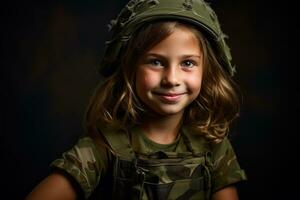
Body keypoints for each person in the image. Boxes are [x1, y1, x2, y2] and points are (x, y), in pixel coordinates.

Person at [26, 0, 247, 199]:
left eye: (187, 63)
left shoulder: (212, 144)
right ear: (131, 68)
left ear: (205, 71)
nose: (171, 79)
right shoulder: (108, 145)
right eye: (156, 62)